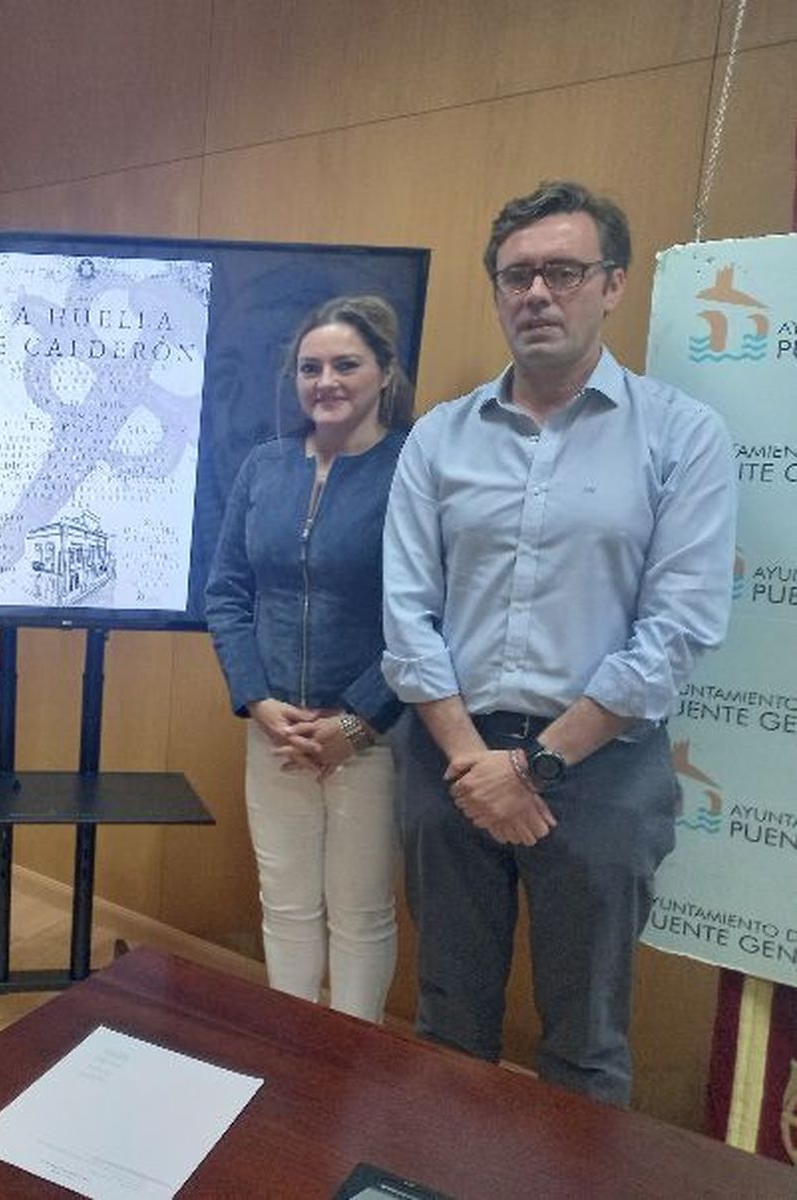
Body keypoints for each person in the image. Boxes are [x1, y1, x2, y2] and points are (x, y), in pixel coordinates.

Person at [382, 180, 736, 1105]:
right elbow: (407, 617)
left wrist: (534, 767)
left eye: (564, 272)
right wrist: (475, 762)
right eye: (517, 276)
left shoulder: (682, 436)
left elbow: (678, 629)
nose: (537, 293)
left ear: (612, 285)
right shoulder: (439, 439)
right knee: (448, 1018)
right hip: (450, 760)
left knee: (585, 1041)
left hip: (602, 771)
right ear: (497, 292)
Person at [205, 295, 413, 1023]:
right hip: (276, 732)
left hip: (371, 736)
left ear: (385, 372)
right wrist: (259, 701)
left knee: (360, 912)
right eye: (310, 367)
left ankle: (351, 1059)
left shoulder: (411, 470)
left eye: (346, 364)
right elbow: (227, 593)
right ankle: (293, 1053)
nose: (326, 381)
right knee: (286, 903)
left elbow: (429, 614)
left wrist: (356, 722)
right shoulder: (264, 467)